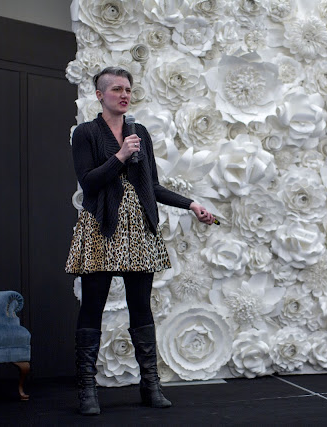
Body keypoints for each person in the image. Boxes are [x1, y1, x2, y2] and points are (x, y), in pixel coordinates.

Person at [65, 66, 215, 416]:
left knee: (141, 305)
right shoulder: (86, 133)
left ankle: (151, 385)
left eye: (128, 89)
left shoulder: (139, 132)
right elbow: (89, 182)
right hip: (101, 226)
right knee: (93, 306)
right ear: (100, 95)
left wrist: (191, 204)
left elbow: (153, 185)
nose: (124, 95)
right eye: (117, 89)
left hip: (139, 227)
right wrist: (120, 156)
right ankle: (87, 391)